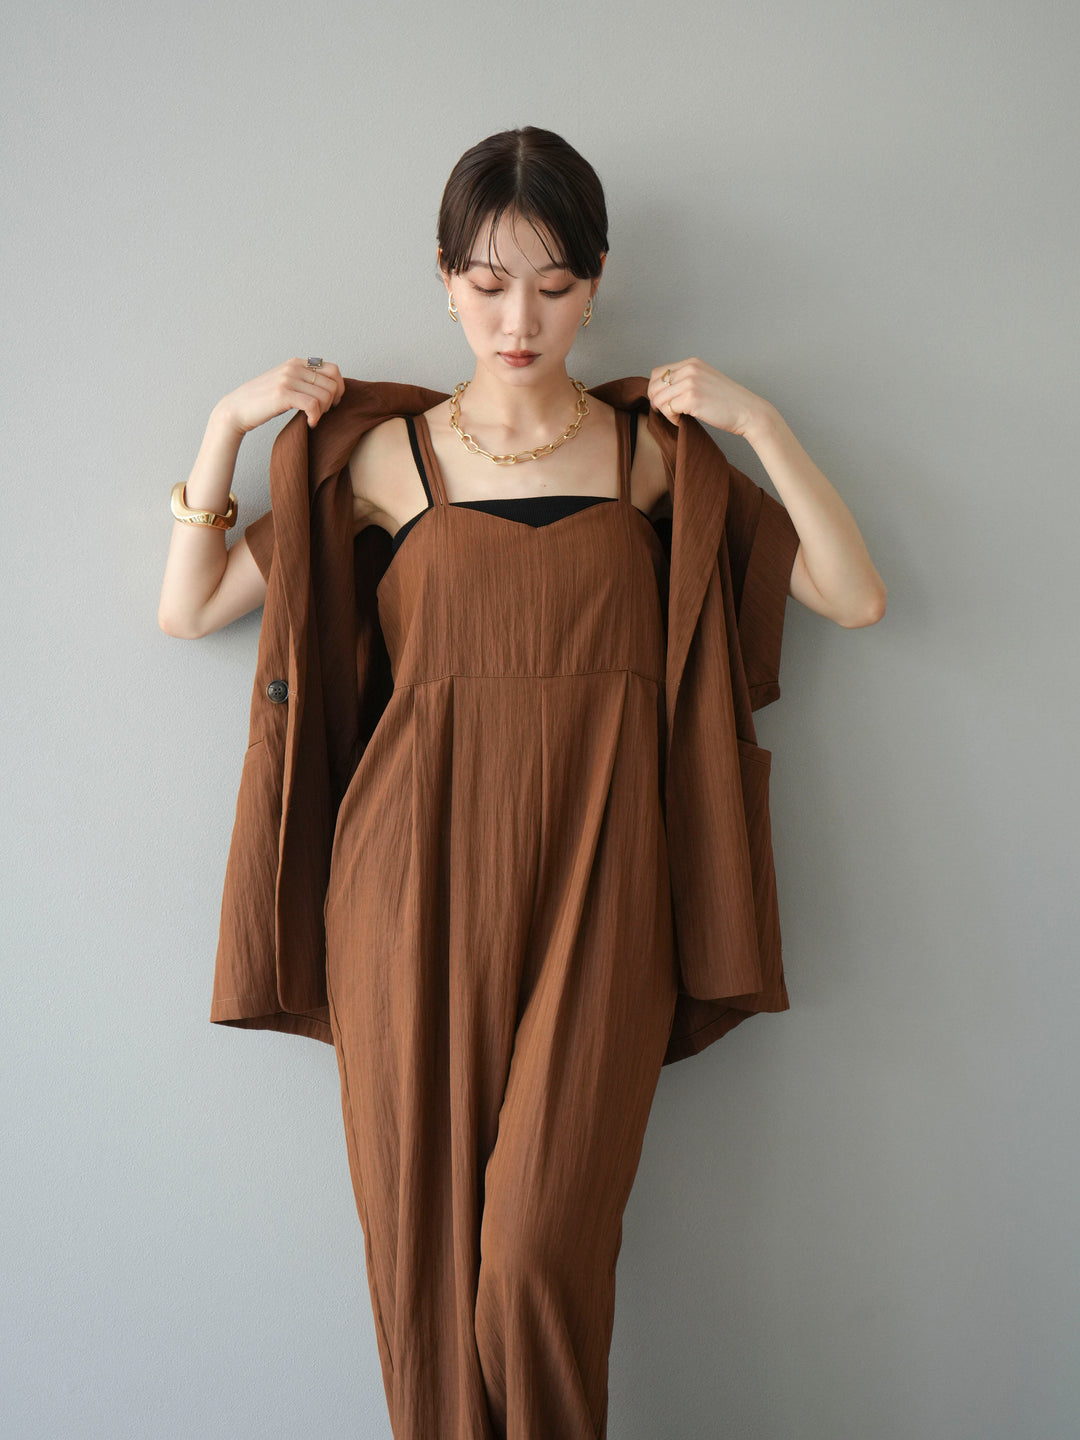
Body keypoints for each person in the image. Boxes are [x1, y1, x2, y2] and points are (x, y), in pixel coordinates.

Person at [159, 125, 886, 1440]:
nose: (519, 320)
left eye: (554, 286)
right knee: (429, 1278)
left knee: (536, 1263)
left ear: (596, 285)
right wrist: (224, 427)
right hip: (407, 889)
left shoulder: (650, 455)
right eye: (490, 284)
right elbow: (192, 607)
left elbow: (853, 594)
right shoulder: (386, 461)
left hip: (609, 886)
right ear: (445, 279)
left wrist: (761, 424)